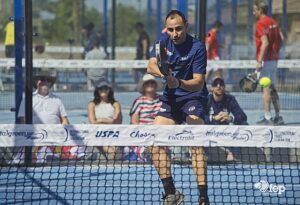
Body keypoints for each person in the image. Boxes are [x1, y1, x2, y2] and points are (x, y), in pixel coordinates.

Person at [147, 10, 209, 205]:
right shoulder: (162, 41)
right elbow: (150, 66)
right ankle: (172, 193)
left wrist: (179, 83)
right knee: (155, 142)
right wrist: (164, 76)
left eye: (179, 29)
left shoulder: (198, 48)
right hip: (170, 100)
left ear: (186, 26)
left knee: (196, 143)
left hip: (193, 98)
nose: (175, 33)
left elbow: (198, 82)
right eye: (171, 29)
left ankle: (203, 197)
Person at [17, 70, 83, 163]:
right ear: (36, 82)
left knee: (78, 143)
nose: (44, 81)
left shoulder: (57, 99)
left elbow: (64, 119)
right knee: (41, 151)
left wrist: (64, 131)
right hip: (36, 135)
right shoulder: (27, 98)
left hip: (56, 134)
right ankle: (47, 155)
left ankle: (77, 154)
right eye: (41, 79)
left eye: (47, 80)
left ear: (50, 83)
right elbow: (23, 119)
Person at [253, 0, 284, 125]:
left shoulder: (261, 23)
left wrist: (259, 61)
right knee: (272, 88)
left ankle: (267, 117)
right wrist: (276, 52)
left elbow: (264, 43)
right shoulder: (274, 22)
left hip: (266, 61)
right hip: (273, 60)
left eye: (255, 10)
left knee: (266, 88)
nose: (253, 12)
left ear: (260, 11)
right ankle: (278, 116)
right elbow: (281, 38)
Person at [205, 77, 248, 161]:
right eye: (215, 84)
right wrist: (214, 118)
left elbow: (243, 116)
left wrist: (230, 118)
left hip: (225, 130)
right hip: (209, 130)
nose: (218, 86)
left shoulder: (230, 99)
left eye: (221, 84)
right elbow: (199, 117)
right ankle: (203, 153)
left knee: (244, 124)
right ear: (212, 88)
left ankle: (234, 155)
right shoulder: (206, 99)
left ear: (224, 87)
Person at [127, 74, 162, 162]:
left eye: (152, 82)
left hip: (159, 134)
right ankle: (146, 154)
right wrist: (144, 132)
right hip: (142, 134)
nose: (150, 84)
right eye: (147, 83)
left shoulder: (162, 100)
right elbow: (134, 121)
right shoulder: (139, 101)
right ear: (143, 86)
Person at [87, 81, 122, 160]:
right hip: (97, 134)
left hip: (112, 134)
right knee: (105, 157)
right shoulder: (92, 104)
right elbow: (93, 122)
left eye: (105, 88)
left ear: (109, 90)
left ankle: (112, 151)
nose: (103, 90)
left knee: (113, 156)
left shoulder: (115, 104)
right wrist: (107, 120)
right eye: (101, 88)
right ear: (97, 90)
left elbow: (114, 120)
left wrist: (100, 120)